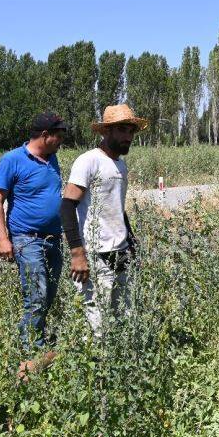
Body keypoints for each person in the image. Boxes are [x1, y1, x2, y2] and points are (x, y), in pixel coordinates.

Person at [60, 104, 146, 335]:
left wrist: (132, 242)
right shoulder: (89, 161)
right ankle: (97, 368)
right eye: (122, 130)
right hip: (96, 255)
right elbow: (67, 206)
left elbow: (118, 207)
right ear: (106, 131)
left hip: (121, 251)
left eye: (131, 131)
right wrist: (77, 253)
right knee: (98, 326)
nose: (128, 137)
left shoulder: (120, 164)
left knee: (124, 318)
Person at [0, 112, 68, 351]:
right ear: (45, 135)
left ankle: (36, 337)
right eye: (58, 136)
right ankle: (31, 351)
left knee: (49, 293)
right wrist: (3, 239)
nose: (61, 141)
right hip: (27, 239)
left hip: (54, 238)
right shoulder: (12, 160)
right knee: (36, 294)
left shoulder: (52, 158)